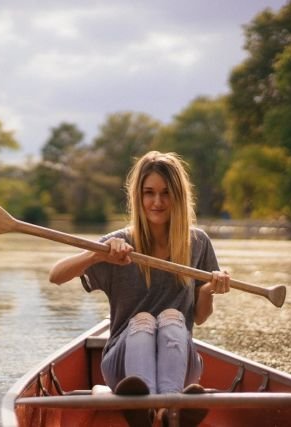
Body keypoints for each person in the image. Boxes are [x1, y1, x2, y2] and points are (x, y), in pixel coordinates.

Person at [49, 151, 230, 426]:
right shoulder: (117, 243)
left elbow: (201, 317)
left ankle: (161, 409)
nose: (157, 202)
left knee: (172, 317)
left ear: (179, 196)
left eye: (166, 193)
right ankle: (159, 407)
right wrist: (97, 255)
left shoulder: (198, 242)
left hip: (180, 365)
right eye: (149, 192)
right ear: (138, 196)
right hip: (124, 372)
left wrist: (207, 291)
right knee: (143, 320)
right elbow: (56, 276)